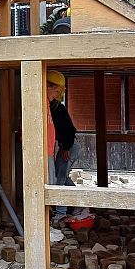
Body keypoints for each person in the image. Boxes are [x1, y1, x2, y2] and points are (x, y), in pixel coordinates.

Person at [45, 71, 83, 225]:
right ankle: (80, 203)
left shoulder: (57, 108)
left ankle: (61, 213)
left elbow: (70, 130)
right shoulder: (52, 106)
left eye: (56, 92)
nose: (55, 95)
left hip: (70, 146)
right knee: (63, 176)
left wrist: (66, 147)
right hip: (68, 145)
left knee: (60, 178)